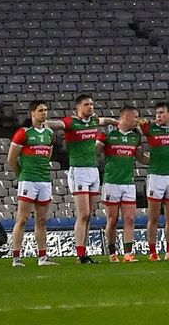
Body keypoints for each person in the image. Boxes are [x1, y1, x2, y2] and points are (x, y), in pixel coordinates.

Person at [45, 94, 119, 264]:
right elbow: (54, 124)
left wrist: (116, 122)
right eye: (86, 104)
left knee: (89, 215)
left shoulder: (93, 121)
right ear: (78, 107)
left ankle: (83, 253)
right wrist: (46, 127)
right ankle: (80, 253)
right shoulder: (71, 122)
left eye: (92, 104)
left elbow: (104, 120)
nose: (90, 107)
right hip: (78, 170)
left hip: (93, 170)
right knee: (83, 213)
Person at [8, 100, 58, 267]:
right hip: (28, 179)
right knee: (22, 219)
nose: (44, 113)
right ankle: (16, 257)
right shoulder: (24, 133)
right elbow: (11, 158)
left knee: (42, 220)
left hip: (44, 180)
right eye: (40, 110)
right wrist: (21, 175)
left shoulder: (49, 133)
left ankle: (42, 256)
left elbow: (48, 154)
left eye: (45, 110)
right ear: (32, 113)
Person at [97, 106, 149, 263]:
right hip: (112, 182)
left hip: (128, 183)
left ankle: (128, 253)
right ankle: (112, 252)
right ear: (126, 117)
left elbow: (140, 157)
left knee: (129, 219)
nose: (137, 120)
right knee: (112, 220)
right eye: (135, 117)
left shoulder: (135, 137)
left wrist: (157, 160)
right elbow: (95, 151)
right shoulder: (108, 135)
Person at [140, 102, 169, 261]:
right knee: (153, 218)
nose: (158, 116)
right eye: (157, 113)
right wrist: (153, 121)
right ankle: (152, 251)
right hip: (155, 176)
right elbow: (139, 123)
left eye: (161, 113)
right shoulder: (150, 129)